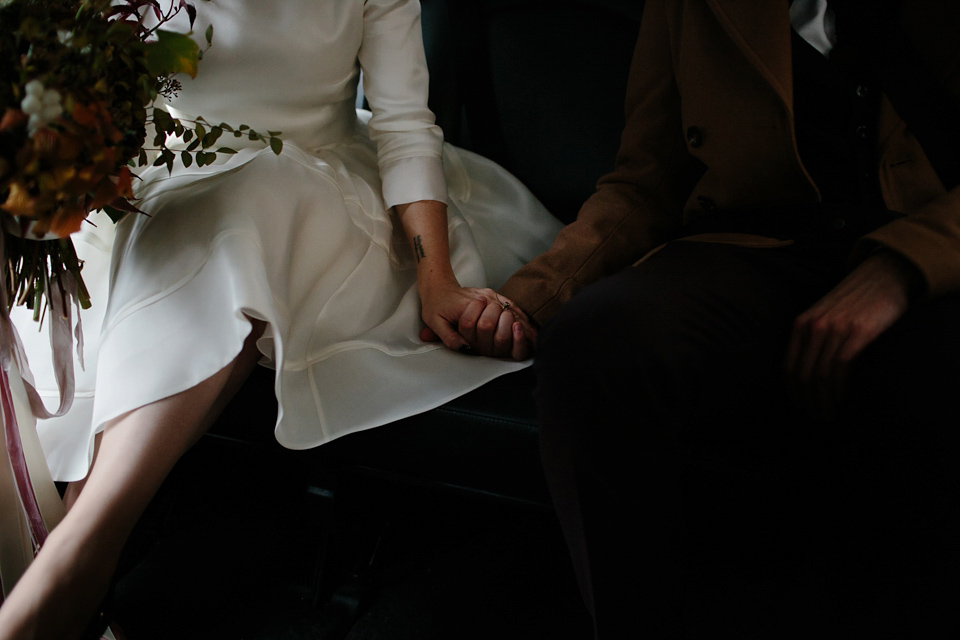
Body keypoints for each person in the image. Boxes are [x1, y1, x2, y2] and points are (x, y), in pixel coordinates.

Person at [0, 1, 562, 638]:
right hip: (154, 185)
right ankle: (75, 563)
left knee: (249, 207)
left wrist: (437, 280)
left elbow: (403, 125)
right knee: (200, 231)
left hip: (314, 182)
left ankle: (74, 561)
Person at [462, 0, 960, 637]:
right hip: (762, 246)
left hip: (936, 246)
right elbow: (646, 179)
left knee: (925, 373)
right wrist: (526, 299)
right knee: (594, 344)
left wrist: (903, 268)